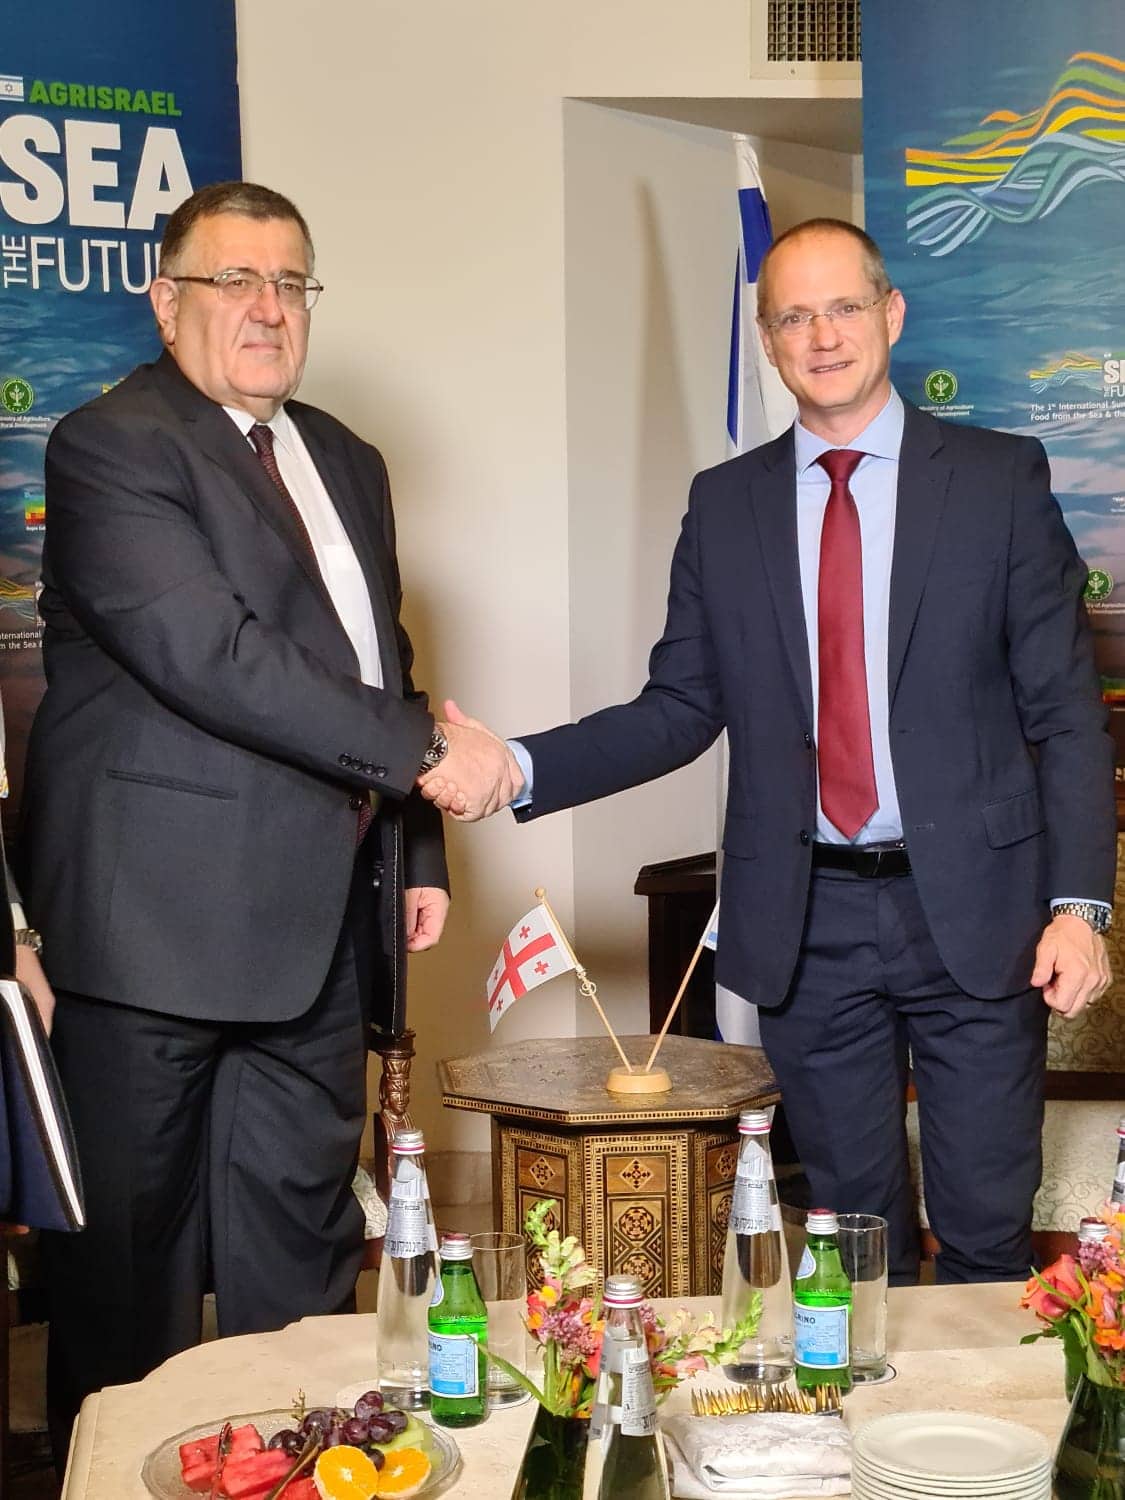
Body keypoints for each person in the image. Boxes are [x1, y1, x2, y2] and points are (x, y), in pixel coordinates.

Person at [419, 218, 1116, 1287]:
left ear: (891, 315)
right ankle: (869, 1398)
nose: (822, 335)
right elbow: (678, 707)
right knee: (851, 1245)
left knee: (984, 1237)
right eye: (794, 316)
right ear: (769, 340)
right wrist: (516, 764)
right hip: (806, 921)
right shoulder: (726, 504)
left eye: (843, 308)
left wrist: (1080, 907)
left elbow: (1065, 711)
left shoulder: (995, 480)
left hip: (979, 913)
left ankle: (984, 1403)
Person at [20, 180, 487, 1455]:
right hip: (152, 932)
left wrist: (418, 846)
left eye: (291, 283)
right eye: (235, 280)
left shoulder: (347, 458)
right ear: (165, 300)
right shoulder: (109, 445)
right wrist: (435, 754)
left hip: (318, 931)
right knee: (131, 1279)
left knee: (302, 1261)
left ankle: (298, 1469)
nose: (268, 308)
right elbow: (215, 657)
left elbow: (378, 662)